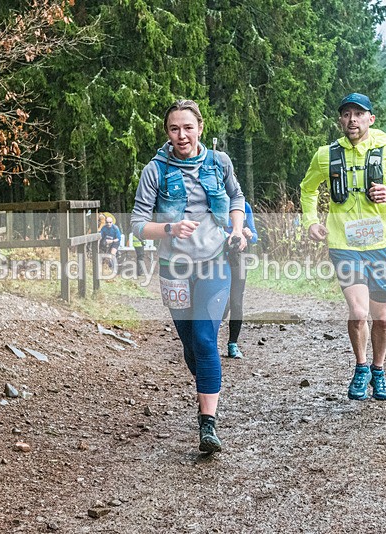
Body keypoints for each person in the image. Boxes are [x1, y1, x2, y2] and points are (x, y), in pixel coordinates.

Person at [131, 99, 246, 453]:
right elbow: (136, 224)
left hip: (214, 262)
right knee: (190, 346)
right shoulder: (155, 170)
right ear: (167, 132)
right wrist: (169, 227)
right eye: (174, 129)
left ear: (200, 127)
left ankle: (207, 424)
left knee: (205, 337)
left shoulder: (219, 162)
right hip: (173, 269)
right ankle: (207, 386)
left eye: (188, 127)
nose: (182, 135)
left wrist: (237, 230)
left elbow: (237, 197)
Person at [300, 92, 386, 401]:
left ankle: (379, 371)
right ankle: (361, 366)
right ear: (340, 120)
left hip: (381, 244)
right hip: (344, 244)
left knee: (381, 317)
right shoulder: (325, 155)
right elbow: (308, 189)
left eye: (358, 113)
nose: (352, 119)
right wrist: (311, 222)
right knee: (357, 311)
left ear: (371, 118)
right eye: (346, 114)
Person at [223, 201, 259, 359]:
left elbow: (255, 237)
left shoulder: (245, 206)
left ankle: (233, 344)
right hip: (217, 259)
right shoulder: (215, 202)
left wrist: (249, 234)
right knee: (223, 303)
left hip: (238, 258)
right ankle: (206, 340)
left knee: (236, 302)